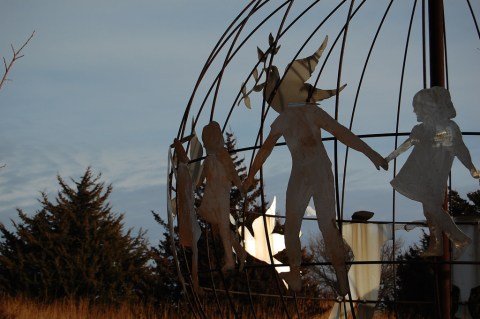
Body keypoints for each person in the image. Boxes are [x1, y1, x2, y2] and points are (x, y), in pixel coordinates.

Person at [244, 102, 388, 296]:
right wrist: (251, 176)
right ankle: (297, 274)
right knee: (294, 226)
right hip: (302, 171)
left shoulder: (309, 112)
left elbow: (341, 132)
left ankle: (341, 278)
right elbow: (265, 150)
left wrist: (370, 153)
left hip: (317, 169)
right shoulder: (285, 118)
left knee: (324, 226)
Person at [385, 86, 479, 258]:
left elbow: (459, 148)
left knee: (432, 208)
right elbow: (407, 144)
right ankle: (437, 244)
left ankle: (459, 239)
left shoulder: (449, 127)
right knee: (429, 210)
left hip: (436, 174)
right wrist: (389, 158)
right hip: (421, 174)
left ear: (431, 107)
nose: (414, 110)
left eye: (418, 106)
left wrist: (471, 168)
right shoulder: (421, 128)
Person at [197, 121, 247, 273]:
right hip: (212, 196)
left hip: (221, 194)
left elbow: (232, 172)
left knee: (223, 228)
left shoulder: (222, 155)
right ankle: (238, 251)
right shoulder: (208, 159)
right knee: (221, 227)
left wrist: (241, 187)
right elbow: (201, 179)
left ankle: (230, 260)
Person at [172, 138, 202, 293]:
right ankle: (195, 284)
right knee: (194, 249)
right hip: (188, 214)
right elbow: (186, 194)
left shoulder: (182, 171)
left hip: (188, 213)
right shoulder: (183, 171)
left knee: (194, 248)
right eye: (184, 154)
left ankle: (194, 283)